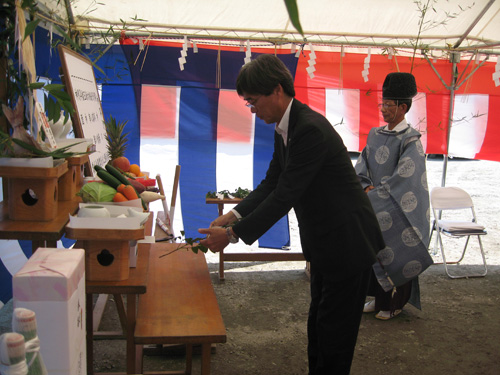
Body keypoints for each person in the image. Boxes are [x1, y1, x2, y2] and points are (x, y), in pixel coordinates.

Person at [198, 54, 385, 374]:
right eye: (248, 104)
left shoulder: (309, 129)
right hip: (326, 242)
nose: (253, 111)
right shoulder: (285, 126)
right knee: (319, 327)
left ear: (277, 91)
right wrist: (233, 215)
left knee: (334, 336)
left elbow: (286, 195)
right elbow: (273, 181)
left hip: (347, 242)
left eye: (253, 102)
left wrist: (231, 236)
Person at [355, 72, 430, 320]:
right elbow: (362, 164)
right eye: (383, 103)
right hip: (374, 203)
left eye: (388, 105)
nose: (383, 109)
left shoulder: (411, 140)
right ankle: (378, 300)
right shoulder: (375, 134)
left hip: (398, 207)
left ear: (403, 107)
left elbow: (407, 177)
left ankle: (394, 304)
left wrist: (380, 195)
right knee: (373, 251)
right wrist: (366, 189)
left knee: (399, 250)